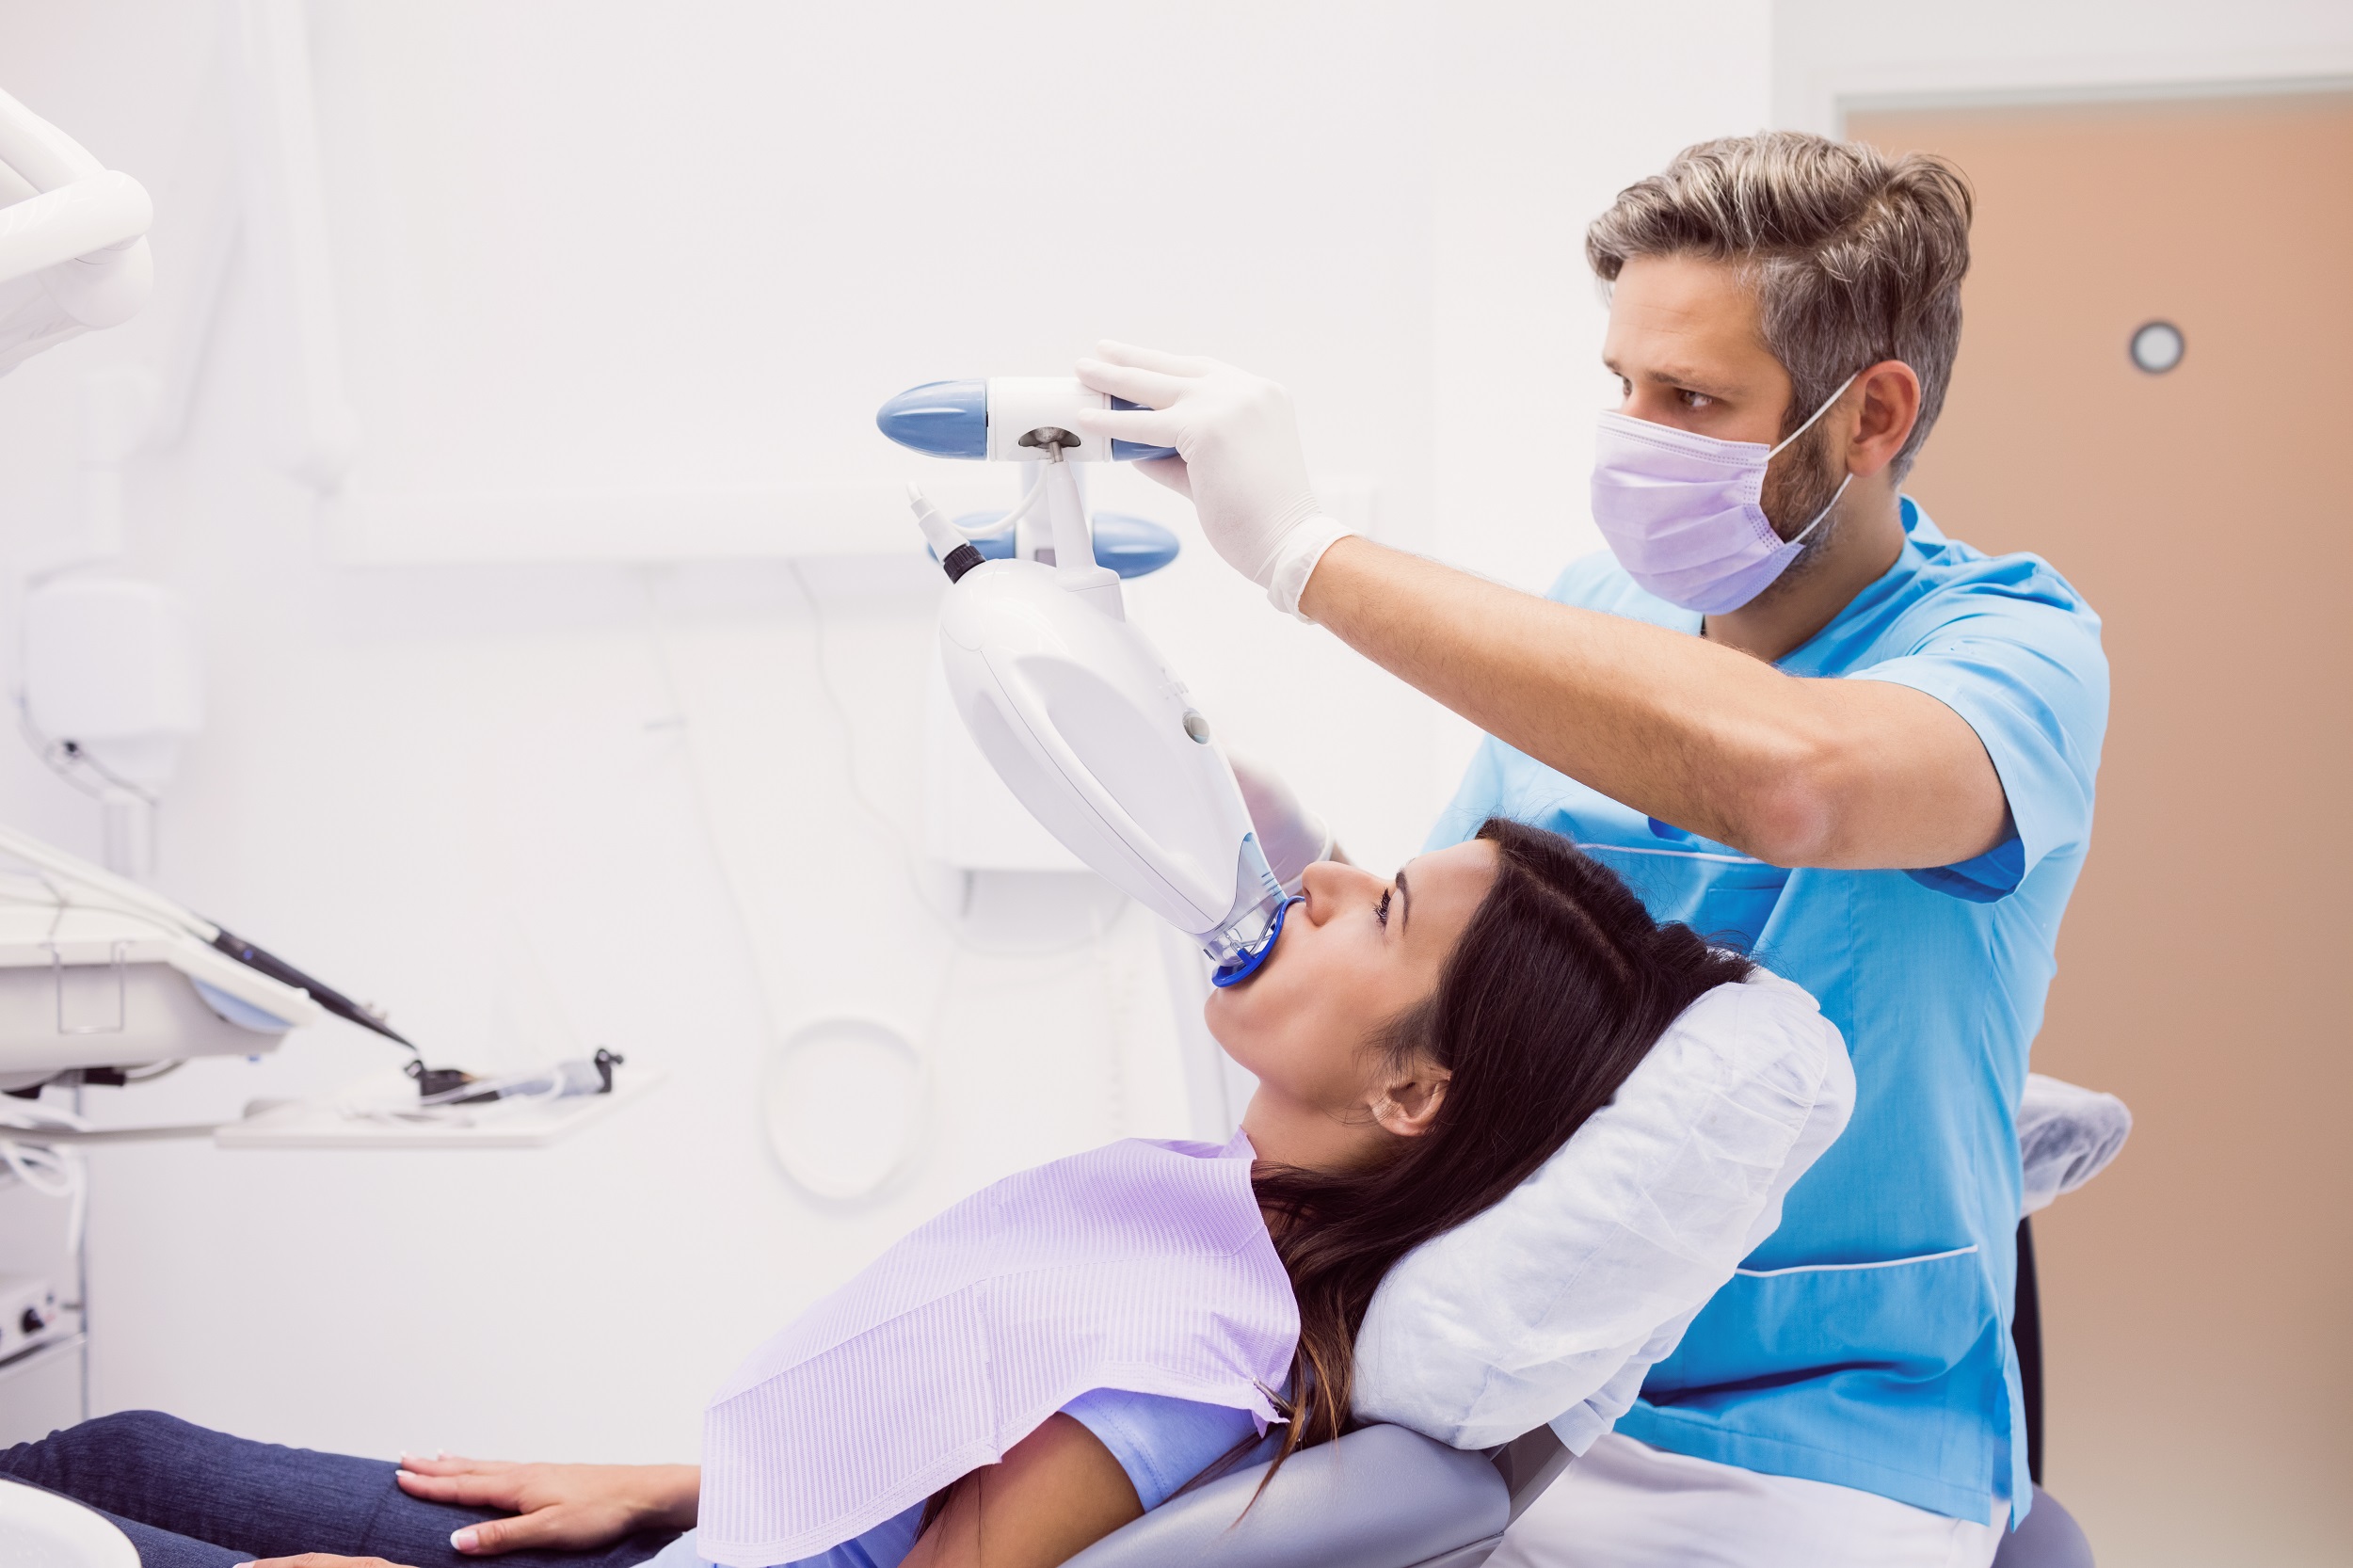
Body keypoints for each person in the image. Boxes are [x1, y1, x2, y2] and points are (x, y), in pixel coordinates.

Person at [1073, 130, 2107, 1566]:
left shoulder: (2014, 655)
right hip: (1524, 1371)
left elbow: (1793, 785)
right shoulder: (1598, 611)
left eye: (1691, 397)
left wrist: (1307, 555)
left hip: (1827, 1430)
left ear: (1870, 416)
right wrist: (1269, 844)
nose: (1636, 433)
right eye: (1623, 385)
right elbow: (1473, 976)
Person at [1, 821, 1754, 1568]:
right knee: (112, 1455)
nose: (1322, 870)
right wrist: (690, 1482)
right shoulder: (1216, 1222)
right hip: (706, 1537)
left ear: (1411, 1089)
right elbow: (941, 1458)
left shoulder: (1202, 1340)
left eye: (1382, 912)